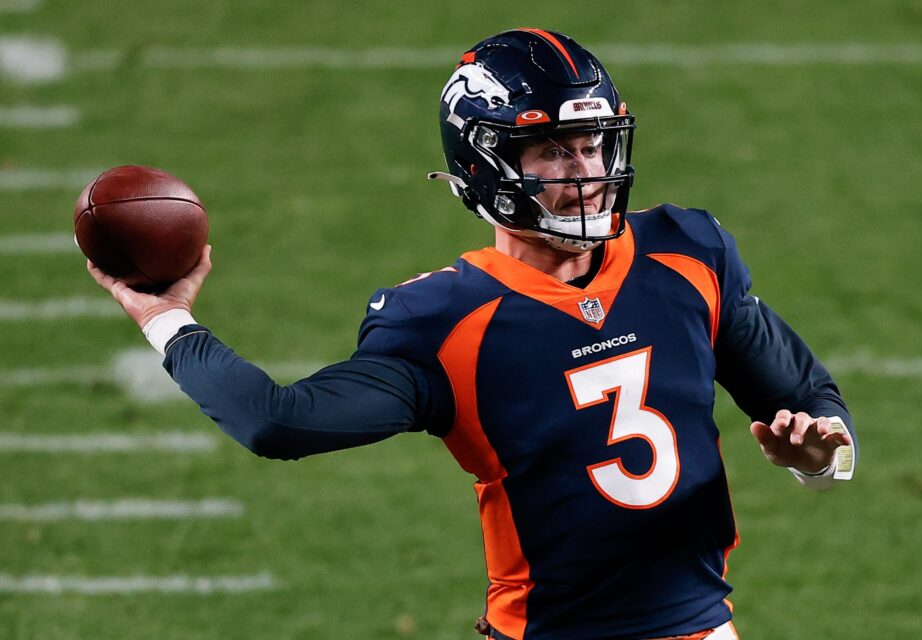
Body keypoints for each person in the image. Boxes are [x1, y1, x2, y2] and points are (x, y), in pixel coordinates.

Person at [88, 28, 857, 640]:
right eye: (551, 148)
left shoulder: (687, 253)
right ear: (484, 165)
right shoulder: (442, 321)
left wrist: (822, 458)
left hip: (702, 629)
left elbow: (807, 395)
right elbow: (278, 420)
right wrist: (165, 316)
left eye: (591, 143)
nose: (583, 170)